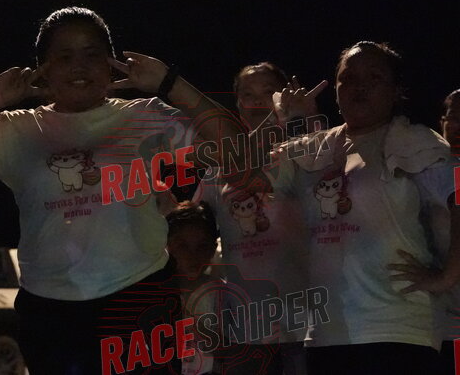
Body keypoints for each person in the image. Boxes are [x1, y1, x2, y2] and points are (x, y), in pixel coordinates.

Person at [0, 6, 255, 374]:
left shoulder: (144, 115)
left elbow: (238, 150)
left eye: (92, 54)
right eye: (64, 56)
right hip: (51, 311)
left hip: (138, 299)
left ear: (111, 63)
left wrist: (171, 83)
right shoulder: (15, 129)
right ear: (42, 69)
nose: (79, 66)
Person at [268, 42, 460, 375]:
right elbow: (269, 180)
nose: (360, 86)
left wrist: (447, 276)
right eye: (349, 78)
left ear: (396, 91)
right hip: (327, 333)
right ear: (336, 88)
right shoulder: (322, 147)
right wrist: (293, 119)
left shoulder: (413, 140)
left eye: (374, 77)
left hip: (397, 329)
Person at [194, 62, 324, 375]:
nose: (257, 102)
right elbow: (193, 226)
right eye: (247, 94)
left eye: (267, 92)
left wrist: (305, 118)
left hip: (305, 321)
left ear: (283, 97)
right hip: (245, 327)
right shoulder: (218, 168)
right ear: (238, 103)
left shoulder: (302, 150)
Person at [423, 88, 460, 373]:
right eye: (454, 116)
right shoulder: (430, 168)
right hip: (443, 321)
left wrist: (446, 277)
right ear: (442, 122)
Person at [166, 201, 220, 375]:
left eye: (202, 246)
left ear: (212, 248)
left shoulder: (220, 293)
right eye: (183, 246)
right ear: (168, 247)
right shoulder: (159, 294)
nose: (192, 255)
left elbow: (228, 347)